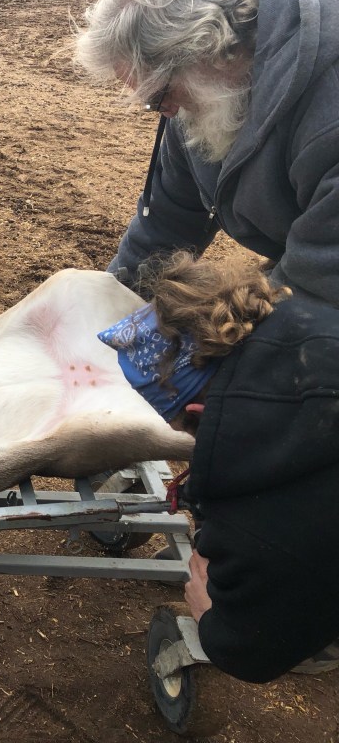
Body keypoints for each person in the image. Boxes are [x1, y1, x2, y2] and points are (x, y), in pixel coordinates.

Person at [99, 252, 339, 682]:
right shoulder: (317, 322)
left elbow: (251, 652)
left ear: (195, 413)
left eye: (175, 422)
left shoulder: (264, 523)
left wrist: (212, 615)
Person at [74, 0, 339, 307]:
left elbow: (320, 285)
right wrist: (108, 307)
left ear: (210, 49)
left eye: (158, 96)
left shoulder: (329, 113)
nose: (167, 112)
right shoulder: (207, 94)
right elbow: (167, 222)